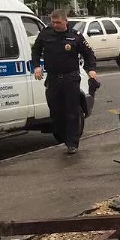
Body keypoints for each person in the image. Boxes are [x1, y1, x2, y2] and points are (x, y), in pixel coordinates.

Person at [32, 9, 98, 154]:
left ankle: (72, 143)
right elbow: (36, 50)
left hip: (70, 78)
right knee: (56, 112)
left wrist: (91, 69)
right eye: (53, 22)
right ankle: (64, 137)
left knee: (72, 111)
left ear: (65, 22)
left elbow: (88, 54)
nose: (55, 25)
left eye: (58, 22)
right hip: (53, 79)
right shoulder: (46, 33)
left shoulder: (75, 37)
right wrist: (36, 65)